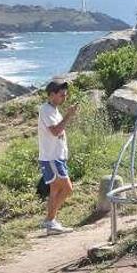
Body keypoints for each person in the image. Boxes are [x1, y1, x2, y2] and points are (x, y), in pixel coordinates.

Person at [39, 78, 78, 235]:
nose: (64, 97)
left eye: (65, 95)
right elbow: (55, 131)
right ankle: (49, 220)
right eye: (62, 95)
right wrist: (68, 116)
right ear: (51, 95)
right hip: (52, 157)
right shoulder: (46, 110)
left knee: (55, 189)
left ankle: (51, 223)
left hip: (56, 157)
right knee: (68, 189)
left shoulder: (53, 110)